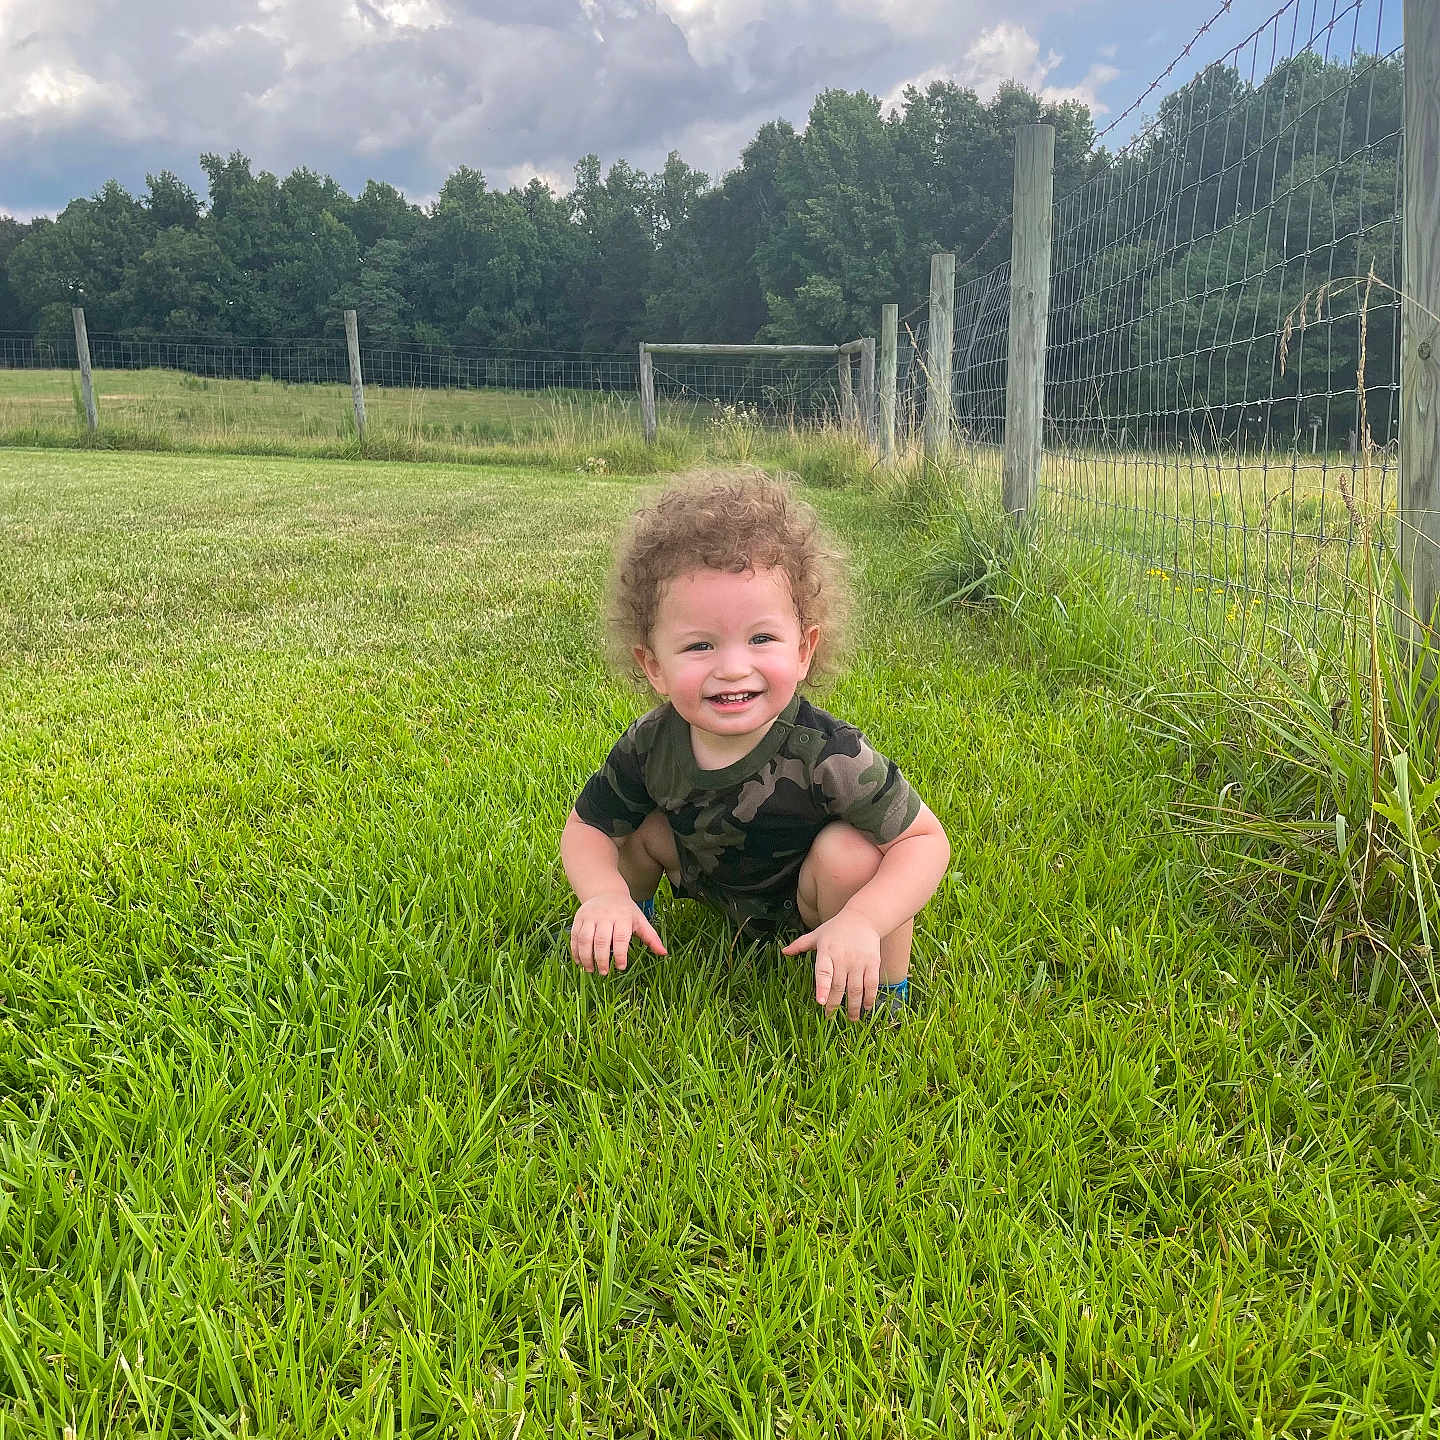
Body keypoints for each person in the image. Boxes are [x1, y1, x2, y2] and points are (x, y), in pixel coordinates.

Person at [560, 470, 950, 1021]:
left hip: (814, 903)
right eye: (699, 645)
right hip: (710, 881)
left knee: (853, 856)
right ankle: (627, 923)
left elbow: (925, 842)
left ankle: (881, 995)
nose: (733, 668)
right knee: (637, 827)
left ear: (804, 650)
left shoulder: (827, 751)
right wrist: (602, 893)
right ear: (654, 667)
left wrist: (863, 918)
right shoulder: (652, 743)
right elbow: (588, 828)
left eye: (761, 638)